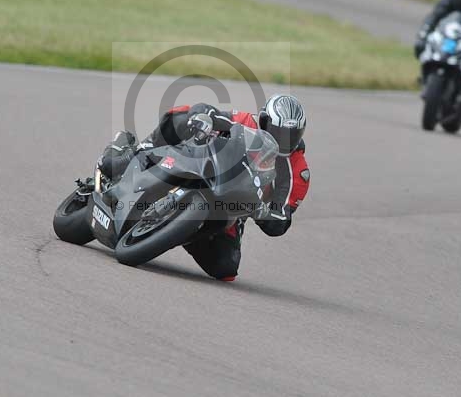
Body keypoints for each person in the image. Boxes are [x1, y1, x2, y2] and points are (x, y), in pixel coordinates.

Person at [99, 94, 310, 281]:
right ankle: (131, 153)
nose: (282, 140)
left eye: (290, 135)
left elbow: (280, 219)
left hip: (232, 206)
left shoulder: (297, 172)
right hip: (202, 164)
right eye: (277, 130)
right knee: (182, 117)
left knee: (225, 268)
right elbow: (208, 111)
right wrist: (204, 118)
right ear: (263, 119)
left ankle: (181, 229)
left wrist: (267, 214)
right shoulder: (246, 121)